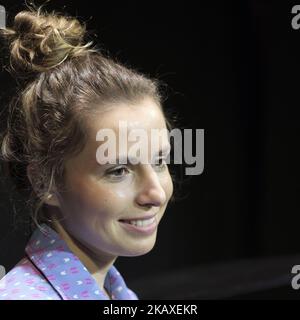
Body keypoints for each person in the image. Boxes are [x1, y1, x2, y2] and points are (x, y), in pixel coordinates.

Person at [0, 3, 175, 300]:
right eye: (119, 170)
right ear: (45, 181)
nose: (155, 194)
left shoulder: (116, 293)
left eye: (159, 161)